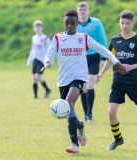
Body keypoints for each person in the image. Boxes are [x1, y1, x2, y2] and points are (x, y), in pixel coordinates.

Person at [41, 9, 127, 154]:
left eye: (72, 23)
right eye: (67, 23)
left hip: (79, 77)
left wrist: (116, 61)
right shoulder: (57, 38)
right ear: (64, 23)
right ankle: (80, 125)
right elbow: (49, 54)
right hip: (63, 80)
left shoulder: (84, 38)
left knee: (68, 103)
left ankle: (74, 144)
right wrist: (48, 62)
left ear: (77, 24)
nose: (69, 26)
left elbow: (102, 49)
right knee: (70, 110)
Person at [95, 10, 137, 150]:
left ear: (133, 24)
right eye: (122, 23)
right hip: (118, 81)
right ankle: (118, 139)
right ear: (119, 22)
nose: (124, 26)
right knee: (111, 112)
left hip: (134, 81)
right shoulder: (115, 40)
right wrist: (101, 74)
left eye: (127, 23)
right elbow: (110, 59)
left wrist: (131, 66)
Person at [76, 2, 107, 122]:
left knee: (89, 84)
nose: (82, 10)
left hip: (94, 57)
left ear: (88, 11)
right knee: (83, 87)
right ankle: (86, 115)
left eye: (84, 8)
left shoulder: (96, 22)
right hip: (79, 58)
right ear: (77, 11)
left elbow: (102, 40)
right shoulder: (75, 24)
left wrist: (104, 58)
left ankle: (90, 114)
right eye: (80, 8)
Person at [27, 20, 51, 99]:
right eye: (36, 27)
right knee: (34, 78)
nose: (37, 29)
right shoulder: (34, 38)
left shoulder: (45, 38)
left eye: (39, 27)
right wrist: (29, 61)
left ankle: (47, 89)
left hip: (42, 60)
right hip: (35, 59)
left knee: (37, 76)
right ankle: (35, 96)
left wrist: (50, 61)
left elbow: (50, 50)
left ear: (42, 28)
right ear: (34, 28)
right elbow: (32, 49)